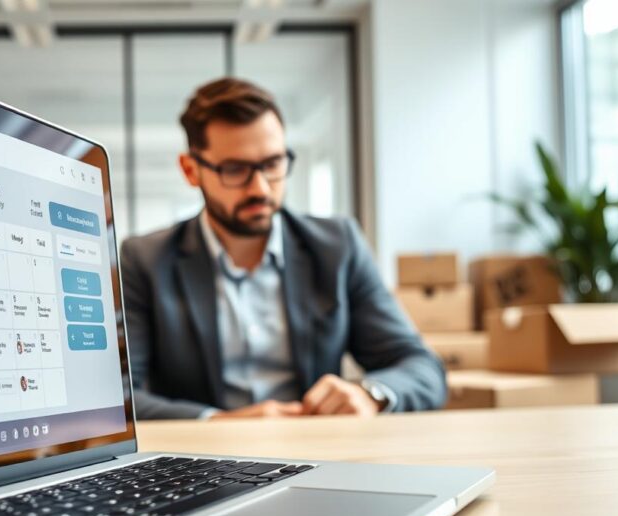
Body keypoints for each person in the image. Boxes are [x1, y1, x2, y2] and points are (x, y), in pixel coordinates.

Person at [120, 77, 446, 420]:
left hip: (319, 450)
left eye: (273, 164)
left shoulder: (338, 246)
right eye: (235, 169)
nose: (260, 188)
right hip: (200, 461)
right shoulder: (145, 260)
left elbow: (422, 367)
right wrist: (220, 422)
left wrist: (371, 394)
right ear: (191, 170)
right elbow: (122, 398)